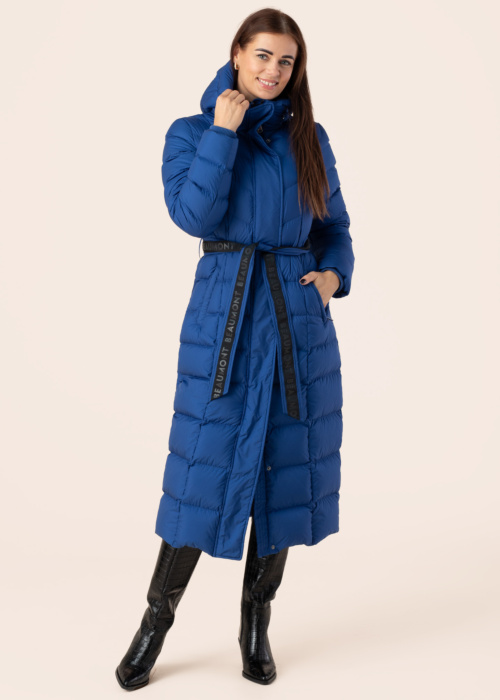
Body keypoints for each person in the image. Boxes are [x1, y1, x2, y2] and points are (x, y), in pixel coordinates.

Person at [115, 7, 355, 690]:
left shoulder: (309, 137)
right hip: (225, 317)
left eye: (286, 61)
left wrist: (332, 277)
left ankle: (256, 624)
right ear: (237, 54)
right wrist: (224, 132)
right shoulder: (191, 132)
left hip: (295, 321)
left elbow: (334, 227)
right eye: (263, 56)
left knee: (284, 475)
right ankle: (155, 623)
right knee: (202, 473)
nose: (274, 71)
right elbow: (193, 215)